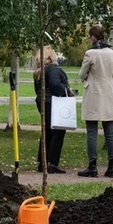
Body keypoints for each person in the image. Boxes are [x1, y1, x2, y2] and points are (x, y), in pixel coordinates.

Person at [78, 25, 113, 178]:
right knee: (110, 131)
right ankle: (111, 166)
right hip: (108, 94)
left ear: (93, 37)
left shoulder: (90, 54)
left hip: (93, 94)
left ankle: (92, 166)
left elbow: (82, 74)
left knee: (91, 131)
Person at [34, 46, 72, 174]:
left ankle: (42, 162)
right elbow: (56, 84)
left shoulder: (39, 72)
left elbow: (38, 90)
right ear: (51, 57)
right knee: (58, 131)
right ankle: (53, 163)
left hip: (42, 101)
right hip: (53, 102)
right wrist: (67, 91)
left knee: (46, 132)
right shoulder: (53, 69)